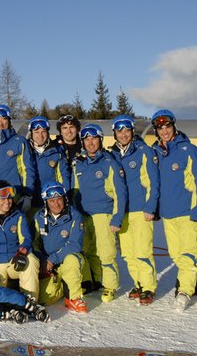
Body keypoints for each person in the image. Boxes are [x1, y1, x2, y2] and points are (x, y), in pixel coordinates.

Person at [151, 109, 197, 311]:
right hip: (168, 215)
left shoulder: (188, 150)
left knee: (188, 256)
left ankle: (183, 292)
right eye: (160, 128)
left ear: (174, 126)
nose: (164, 131)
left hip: (187, 213)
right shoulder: (156, 152)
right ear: (156, 131)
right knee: (176, 256)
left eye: (167, 126)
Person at [71, 123, 127, 303]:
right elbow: (75, 191)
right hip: (85, 215)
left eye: (94, 138)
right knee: (89, 251)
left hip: (104, 214)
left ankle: (110, 286)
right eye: (86, 139)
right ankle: (96, 281)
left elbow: (120, 193)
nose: (90, 142)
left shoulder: (109, 163)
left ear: (100, 140)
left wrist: (117, 218)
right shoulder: (79, 164)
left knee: (106, 252)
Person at [109, 115, 160, 305]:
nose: (123, 134)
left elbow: (154, 182)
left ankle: (148, 287)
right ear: (114, 133)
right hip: (123, 211)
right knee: (128, 252)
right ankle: (138, 283)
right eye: (119, 131)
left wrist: (150, 206)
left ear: (132, 131)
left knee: (142, 250)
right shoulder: (112, 154)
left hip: (140, 210)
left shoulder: (143, 151)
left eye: (127, 130)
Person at [0, 180, 40, 299]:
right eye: (3, 199)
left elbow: (26, 238)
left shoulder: (18, 216)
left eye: (10, 198)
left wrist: (23, 250)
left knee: (31, 259)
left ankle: (30, 300)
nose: (7, 202)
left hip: (15, 260)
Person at [33, 181, 87, 313]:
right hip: (49, 264)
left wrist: (52, 259)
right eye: (51, 201)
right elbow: (34, 243)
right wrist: (43, 260)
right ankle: (63, 285)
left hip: (67, 259)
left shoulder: (75, 216)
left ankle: (74, 298)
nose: (56, 204)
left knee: (72, 260)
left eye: (59, 199)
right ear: (46, 202)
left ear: (64, 199)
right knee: (45, 299)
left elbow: (75, 244)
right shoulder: (39, 217)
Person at [26, 116, 70, 212]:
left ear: (48, 132)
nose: (40, 135)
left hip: (51, 203)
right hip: (29, 203)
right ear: (31, 134)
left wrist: (64, 199)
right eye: (36, 132)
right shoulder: (25, 150)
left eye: (43, 132)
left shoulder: (56, 152)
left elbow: (64, 177)